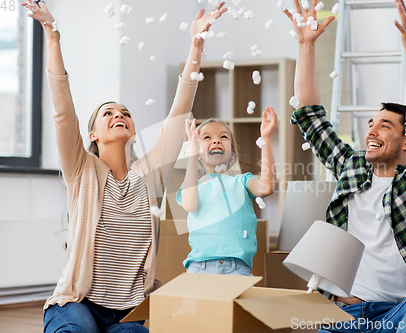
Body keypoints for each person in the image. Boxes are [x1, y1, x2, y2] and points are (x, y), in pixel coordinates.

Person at [23, 0, 228, 332]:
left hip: (129, 311)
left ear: (133, 129)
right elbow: (62, 111)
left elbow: (179, 112)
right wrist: (52, 35)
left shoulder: (149, 172)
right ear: (93, 134)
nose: (119, 115)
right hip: (79, 303)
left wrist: (196, 45)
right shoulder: (81, 169)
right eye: (109, 113)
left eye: (126, 114)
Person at [282, 0, 406, 331]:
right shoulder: (351, 167)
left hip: (396, 316)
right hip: (344, 315)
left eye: (385, 125)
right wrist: (305, 45)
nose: (372, 130)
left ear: (404, 142)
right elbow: (311, 117)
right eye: (371, 123)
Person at [176, 107, 277, 276]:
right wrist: (192, 155)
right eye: (207, 138)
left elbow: (267, 187)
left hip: (237, 268)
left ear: (232, 152)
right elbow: (189, 205)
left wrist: (266, 138)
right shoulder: (194, 185)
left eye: (223, 137)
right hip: (200, 267)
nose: (216, 141)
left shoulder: (242, 182)